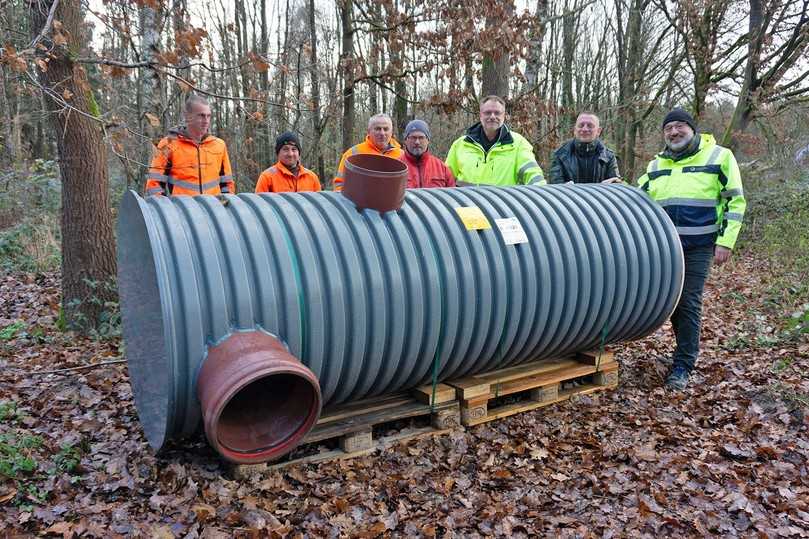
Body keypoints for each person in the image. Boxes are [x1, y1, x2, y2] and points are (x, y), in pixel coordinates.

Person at [637, 108, 746, 390]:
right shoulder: (657, 164)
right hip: (662, 248)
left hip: (698, 247)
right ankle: (681, 354)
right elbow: (638, 196)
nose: (674, 132)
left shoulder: (718, 157)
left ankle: (683, 366)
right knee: (666, 301)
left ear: (692, 129)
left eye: (679, 126)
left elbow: (735, 201)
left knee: (687, 302)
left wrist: (725, 241)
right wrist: (614, 188)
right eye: (668, 128)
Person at [145, 95, 235, 197]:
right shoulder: (168, 144)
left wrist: (225, 208)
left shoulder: (219, 145)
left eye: (208, 116)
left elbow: (227, 185)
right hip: (182, 210)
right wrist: (165, 210)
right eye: (201, 115)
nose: (206, 120)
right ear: (188, 116)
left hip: (213, 209)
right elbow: (154, 185)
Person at [445, 95, 544, 186]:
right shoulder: (460, 145)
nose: (492, 116)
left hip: (502, 204)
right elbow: (445, 179)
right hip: (467, 204)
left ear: (504, 116)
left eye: (497, 113)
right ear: (480, 115)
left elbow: (534, 176)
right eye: (488, 112)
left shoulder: (519, 144)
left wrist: (541, 198)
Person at [333, 113, 403, 191]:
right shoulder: (354, 153)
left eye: (386, 129)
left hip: (393, 202)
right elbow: (339, 184)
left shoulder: (401, 155)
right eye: (378, 129)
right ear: (369, 131)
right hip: (359, 202)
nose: (382, 133)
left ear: (391, 132)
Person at [549, 112, 620, 184]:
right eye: (581, 125)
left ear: (598, 131)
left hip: (599, 195)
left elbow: (617, 187)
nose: (585, 129)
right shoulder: (560, 155)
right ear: (574, 130)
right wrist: (564, 187)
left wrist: (614, 183)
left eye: (590, 126)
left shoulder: (608, 157)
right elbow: (555, 187)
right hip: (569, 195)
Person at [255, 132, 321, 193]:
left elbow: (318, 203)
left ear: (299, 153)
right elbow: (259, 204)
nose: (290, 154)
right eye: (285, 149)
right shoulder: (267, 177)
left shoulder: (311, 177)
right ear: (278, 153)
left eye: (294, 149)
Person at [399, 119, 456, 188]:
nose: (417, 142)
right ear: (405, 140)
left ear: (428, 140)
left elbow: (451, 196)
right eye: (413, 138)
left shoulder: (442, 168)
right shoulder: (396, 167)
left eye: (421, 138)